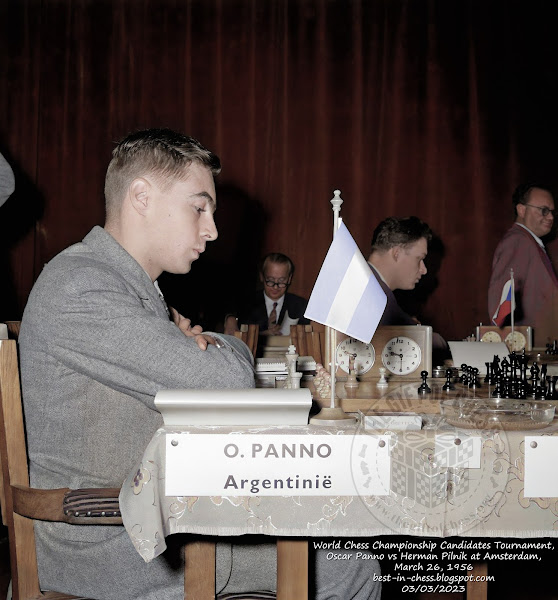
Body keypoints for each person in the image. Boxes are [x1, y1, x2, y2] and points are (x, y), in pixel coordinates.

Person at [19, 128, 380, 599]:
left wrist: (190, 342)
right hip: (104, 541)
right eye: (199, 206)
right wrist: (219, 341)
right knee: (354, 565)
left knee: (341, 548)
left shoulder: (129, 289)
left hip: (148, 523)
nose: (211, 229)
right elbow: (229, 382)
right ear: (142, 197)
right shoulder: (82, 284)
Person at [488, 183, 558, 347]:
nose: (551, 217)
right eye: (544, 210)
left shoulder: (529, 242)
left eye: (552, 212)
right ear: (521, 210)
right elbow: (500, 304)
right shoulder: (518, 241)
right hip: (528, 352)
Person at [367, 216, 447, 356]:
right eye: (419, 259)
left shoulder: (368, 285)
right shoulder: (375, 296)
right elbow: (429, 342)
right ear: (396, 253)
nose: (424, 269)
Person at [227, 252, 310, 336]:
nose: (275, 287)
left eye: (281, 281)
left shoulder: (300, 305)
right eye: (270, 280)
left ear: (289, 279)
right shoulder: (246, 303)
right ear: (262, 277)